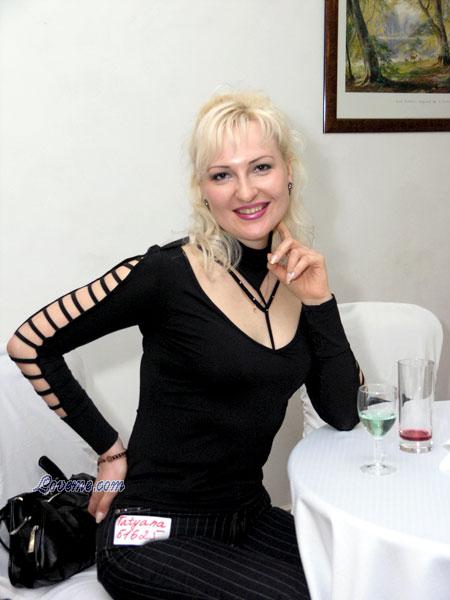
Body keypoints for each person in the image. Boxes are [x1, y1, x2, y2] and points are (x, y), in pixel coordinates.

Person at [6, 90, 361, 599]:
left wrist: (320, 302)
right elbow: (30, 342)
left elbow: (345, 413)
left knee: (362, 577)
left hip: (248, 515)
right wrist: (109, 451)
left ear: (289, 172)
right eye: (222, 175)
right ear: (203, 190)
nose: (245, 190)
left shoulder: (297, 278)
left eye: (260, 167)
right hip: (150, 529)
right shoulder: (166, 273)